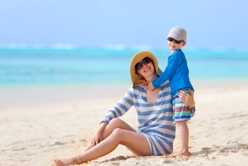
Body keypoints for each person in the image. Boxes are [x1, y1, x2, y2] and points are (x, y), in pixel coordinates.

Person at [53, 51, 194, 166]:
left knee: (119, 133)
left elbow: (185, 113)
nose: (144, 66)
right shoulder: (137, 90)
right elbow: (117, 108)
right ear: (138, 72)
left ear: (153, 63)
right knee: (115, 122)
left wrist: (190, 101)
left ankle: (76, 160)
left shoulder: (168, 85)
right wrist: (101, 126)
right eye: (139, 66)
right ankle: (86, 152)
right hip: (144, 138)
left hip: (161, 143)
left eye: (146, 61)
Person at [149, 27, 195, 156]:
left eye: (176, 41)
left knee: (181, 122)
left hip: (182, 90)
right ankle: (184, 148)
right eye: (170, 39)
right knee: (180, 121)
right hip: (180, 90)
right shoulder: (176, 56)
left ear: (183, 44)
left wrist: (155, 83)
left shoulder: (176, 56)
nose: (172, 43)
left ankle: (184, 150)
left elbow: (168, 73)